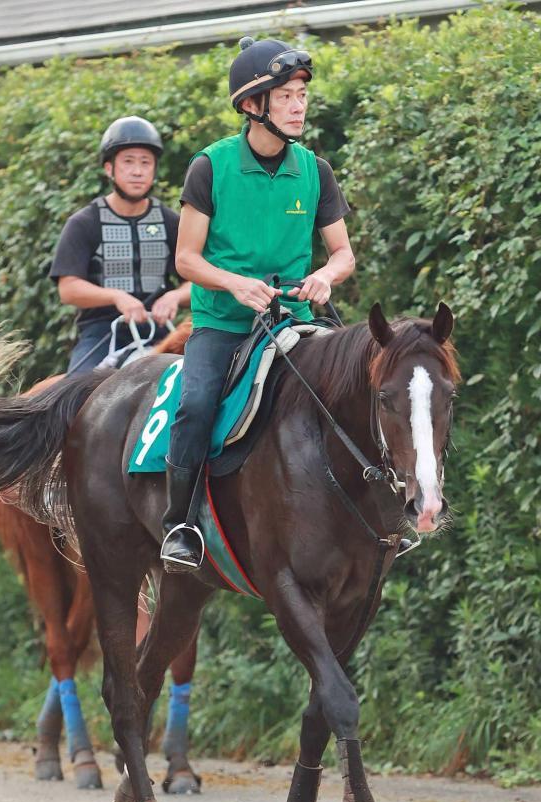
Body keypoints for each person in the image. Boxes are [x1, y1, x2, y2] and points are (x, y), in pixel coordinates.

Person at [161, 37, 355, 571]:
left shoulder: (316, 170)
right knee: (196, 404)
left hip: (296, 321)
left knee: (364, 391)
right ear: (252, 105)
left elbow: (343, 255)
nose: (299, 106)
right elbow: (187, 260)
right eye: (286, 96)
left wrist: (324, 276)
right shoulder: (209, 167)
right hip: (223, 326)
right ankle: (179, 525)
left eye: (302, 96)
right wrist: (235, 284)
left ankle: (380, 518)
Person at [50, 116, 191, 373]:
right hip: (103, 331)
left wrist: (175, 296)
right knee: (75, 396)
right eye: (128, 162)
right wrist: (116, 297)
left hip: (159, 331)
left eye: (145, 163)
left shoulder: (171, 222)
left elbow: (199, 274)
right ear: (109, 168)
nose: (137, 171)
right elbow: (68, 289)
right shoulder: (84, 223)